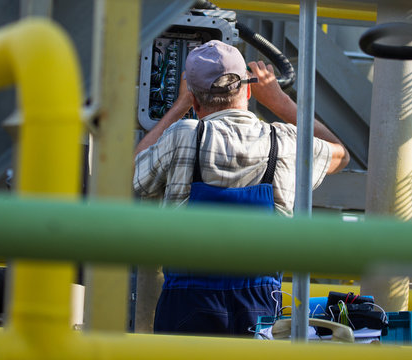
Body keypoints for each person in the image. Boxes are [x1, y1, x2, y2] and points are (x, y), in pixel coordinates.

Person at [133, 40, 350, 336]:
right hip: (259, 306)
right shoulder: (284, 142)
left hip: (187, 303)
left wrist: (178, 108)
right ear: (247, 90)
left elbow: (132, 171)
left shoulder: (183, 136)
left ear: (196, 103)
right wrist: (280, 102)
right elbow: (341, 154)